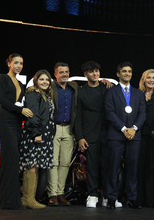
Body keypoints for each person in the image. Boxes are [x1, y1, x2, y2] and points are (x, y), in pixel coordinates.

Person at [74, 61, 122, 208]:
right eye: (91, 72)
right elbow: (78, 115)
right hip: (90, 134)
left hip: (108, 133)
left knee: (108, 167)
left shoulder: (107, 88)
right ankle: (93, 195)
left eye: (97, 71)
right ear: (85, 74)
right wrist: (80, 137)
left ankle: (108, 196)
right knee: (92, 166)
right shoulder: (81, 91)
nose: (95, 74)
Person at [0, 53, 34, 210]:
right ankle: (7, 201)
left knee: (10, 162)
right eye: (16, 62)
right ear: (8, 63)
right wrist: (20, 109)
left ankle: (3, 200)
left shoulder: (20, 82)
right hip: (5, 121)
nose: (19, 66)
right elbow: (1, 99)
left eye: (21, 63)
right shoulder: (3, 78)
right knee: (10, 161)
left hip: (16, 123)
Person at [104, 61, 146, 209]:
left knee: (133, 168)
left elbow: (142, 113)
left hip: (134, 135)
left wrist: (134, 128)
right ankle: (111, 198)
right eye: (124, 71)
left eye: (129, 71)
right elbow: (110, 113)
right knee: (113, 168)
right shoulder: (111, 92)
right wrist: (124, 129)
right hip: (116, 134)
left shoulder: (138, 93)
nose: (127, 73)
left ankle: (132, 198)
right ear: (118, 74)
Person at [19, 69, 55, 209]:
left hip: (44, 135)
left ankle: (30, 199)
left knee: (36, 166)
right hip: (36, 135)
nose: (45, 82)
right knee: (32, 166)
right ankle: (27, 199)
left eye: (47, 80)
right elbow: (32, 115)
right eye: (41, 79)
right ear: (35, 81)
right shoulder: (33, 94)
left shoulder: (45, 95)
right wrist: (36, 133)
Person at [47, 62, 78, 206]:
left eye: (67, 72)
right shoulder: (50, 87)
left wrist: (104, 81)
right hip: (54, 128)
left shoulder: (74, 87)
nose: (65, 74)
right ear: (55, 74)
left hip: (68, 130)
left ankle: (60, 193)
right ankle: (52, 194)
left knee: (65, 163)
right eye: (61, 72)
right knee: (53, 163)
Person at [137, 69, 154, 208]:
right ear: (144, 80)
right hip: (140, 137)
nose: (151, 80)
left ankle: (152, 200)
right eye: (149, 77)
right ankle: (139, 199)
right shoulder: (137, 95)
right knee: (140, 168)